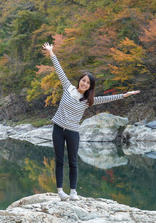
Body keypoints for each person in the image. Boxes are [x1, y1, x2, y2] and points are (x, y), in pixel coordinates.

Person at [42, 42, 140, 201]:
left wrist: (124, 95)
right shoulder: (68, 88)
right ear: (79, 80)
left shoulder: (88, 100)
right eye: (83, 80)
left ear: (90, 86)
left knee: (73, 161)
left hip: (73, 132)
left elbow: (107, 98)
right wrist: (51, 51)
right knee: (59, 160)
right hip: (58, 129)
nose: (84, 83)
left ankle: (73, 191)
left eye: (88, 83)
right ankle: (60, 191)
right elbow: (59, 70)